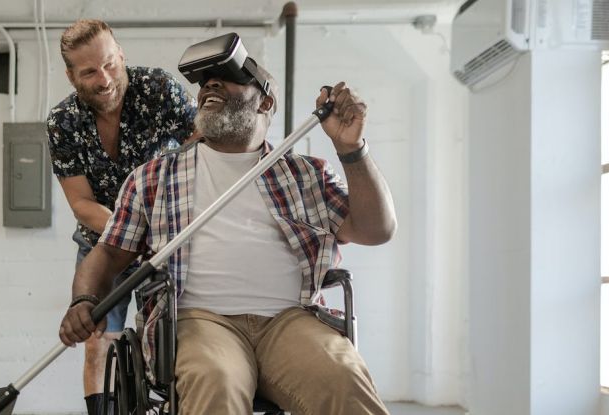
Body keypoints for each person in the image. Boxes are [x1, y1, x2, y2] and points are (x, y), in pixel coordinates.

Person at [58, 58, 397, 414]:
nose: (210, 86)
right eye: (205, 83)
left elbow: (377, 229)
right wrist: (83, 300)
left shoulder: (305, 173)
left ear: (265, 102)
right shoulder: (154, 177)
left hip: (290, 320)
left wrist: (351, 148)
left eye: (228, 79)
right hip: (199, 320)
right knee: (215, 380)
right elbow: (109, 253)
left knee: (343, 378)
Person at [46, 19, 197, 415]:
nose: (105, 78)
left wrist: (158, 233)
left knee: (172, 342)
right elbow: (80, 202)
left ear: (121, 54)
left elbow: (204, 152)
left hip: (167, 244)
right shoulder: (62, 123)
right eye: (89, 72)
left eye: (110, 64)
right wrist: (129, 235)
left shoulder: (159, 91)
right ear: (71, 76)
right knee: (98, 341)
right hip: (102, 244)